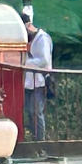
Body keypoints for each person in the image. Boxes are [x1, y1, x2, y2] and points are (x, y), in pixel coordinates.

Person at [21, 12, 53, 142]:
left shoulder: (42, 38)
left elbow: (44, 60)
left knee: (36, 113)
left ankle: (41, 142)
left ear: (28, 25)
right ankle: (35, 140)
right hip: (28, 81)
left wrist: (24, 63)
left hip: (38, 81)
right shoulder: (31, 39)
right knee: (30, 112)